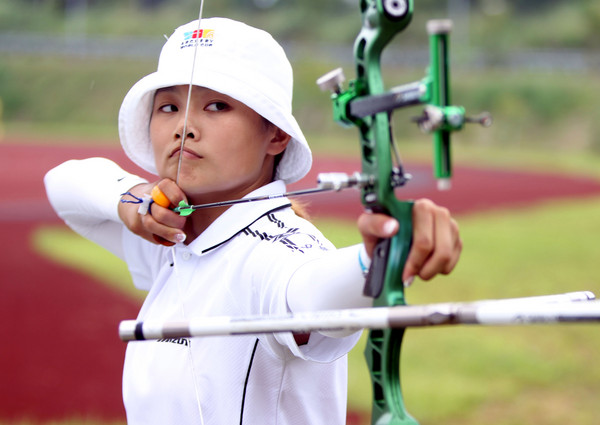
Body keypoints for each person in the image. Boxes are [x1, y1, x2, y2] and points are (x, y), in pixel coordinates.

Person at [44, 18, 461, 425]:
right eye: (168, 107)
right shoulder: (175, 236)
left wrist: (383, 258)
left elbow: (312, 294)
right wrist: (134, 202)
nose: (184, 127)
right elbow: (63, 184)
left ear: (275, 135)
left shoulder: (275, 254)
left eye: (217, 106)